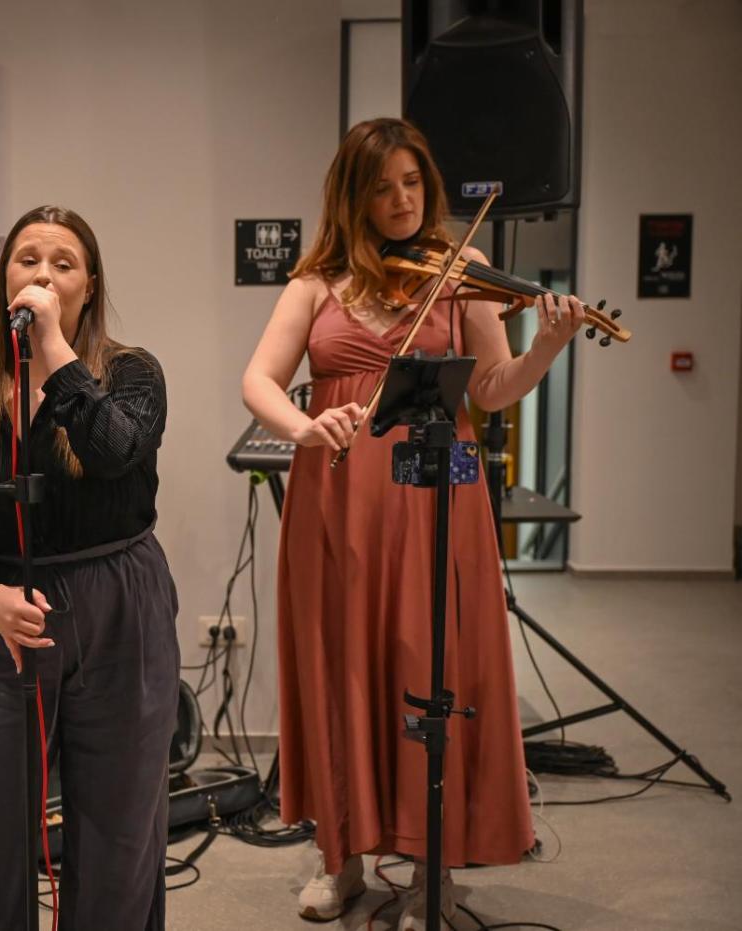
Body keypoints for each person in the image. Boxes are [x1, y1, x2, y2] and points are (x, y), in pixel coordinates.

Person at [242, 117, 585, 929]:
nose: (402, 200)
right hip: (337, 496)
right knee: (340, 663)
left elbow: (491, 387)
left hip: (436, 495)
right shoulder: (316, 282)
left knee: (432, 662)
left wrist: (547, 348)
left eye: (412, 183)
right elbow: (258, 380)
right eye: (382, 187)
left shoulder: (461, 271)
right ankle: (341, 856)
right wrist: (304, 427)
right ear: (352, 197)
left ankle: (435, 863)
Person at [0, 205, 178, 930]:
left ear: (88, 287)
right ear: (5, 279)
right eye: (27, 259)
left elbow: (112, 451)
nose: (43, 274)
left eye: (63, 264)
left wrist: (57, 352)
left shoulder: (133, 374)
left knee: (118, 822)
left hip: (119, 602)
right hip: (5, 610)